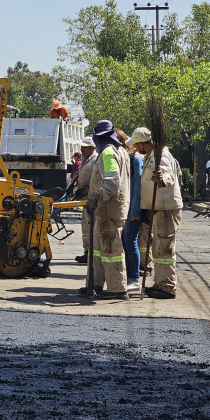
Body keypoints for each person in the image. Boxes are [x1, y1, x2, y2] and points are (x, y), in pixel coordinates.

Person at [127, 127, 183, 299]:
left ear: (143, 144)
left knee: (164, 249)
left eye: (136, 145)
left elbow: (168, 176)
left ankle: (167, 287)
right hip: (158, 208)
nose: (135, 148)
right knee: (158, 248)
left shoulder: (161, 155)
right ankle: (160, 283)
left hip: (166, 209)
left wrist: (163, 178)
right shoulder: (150, 156)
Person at [79, 120, 130, 300]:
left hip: (109, 210)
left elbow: (112, 182)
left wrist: (95, 197)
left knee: (111, 251)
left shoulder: (108, 153)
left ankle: (117, 289)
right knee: (99, 250)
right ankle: (95, 284)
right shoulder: (121, 151)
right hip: (108, 210)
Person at [121, 138, 144, 292]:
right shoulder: (127, 159)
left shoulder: (135, 159)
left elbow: (138, 187)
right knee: (125, 240)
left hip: (133, 208)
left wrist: (135, 210)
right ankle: (129, 276)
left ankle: (134, 278)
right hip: (127, 206)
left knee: (131, 240)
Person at [74, 137, 98, 263]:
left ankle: (93, 252)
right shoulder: (85, 160)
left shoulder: (96, 160)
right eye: (81, 147)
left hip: (92, 199)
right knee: (85, 226)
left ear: (92, 148)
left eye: (85, 148)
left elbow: (96, 179)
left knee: (92, 225)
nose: (82, 150)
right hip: (84, 199)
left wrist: (85, 189)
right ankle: (87, 251)